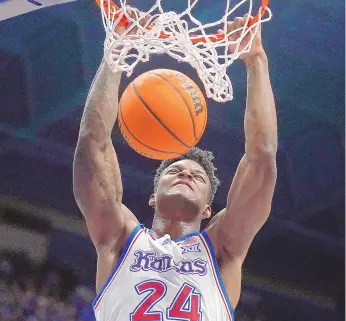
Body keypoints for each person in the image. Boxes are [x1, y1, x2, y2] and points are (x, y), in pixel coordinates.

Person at [73, 8, 277, 321]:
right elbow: (92, 145)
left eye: (197, 176)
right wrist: (116, 52)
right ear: (152, 196)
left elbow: (261, 156)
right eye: (174, 171)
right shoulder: (121, 238)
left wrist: (256, 59)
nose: (185, 173)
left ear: (209, 209)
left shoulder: (222, 248)